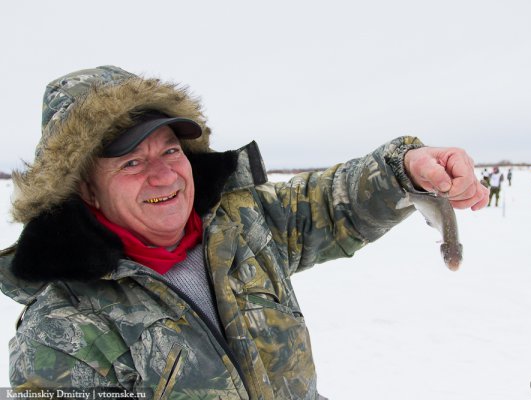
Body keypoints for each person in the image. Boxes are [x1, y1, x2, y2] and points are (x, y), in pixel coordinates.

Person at [0, 66, 488, 399]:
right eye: (131, 162)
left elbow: (328, 203)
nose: (165, 176)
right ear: (85, 188)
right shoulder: (60, 335)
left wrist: (405, 168)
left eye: (170, 150)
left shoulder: (243, 223)